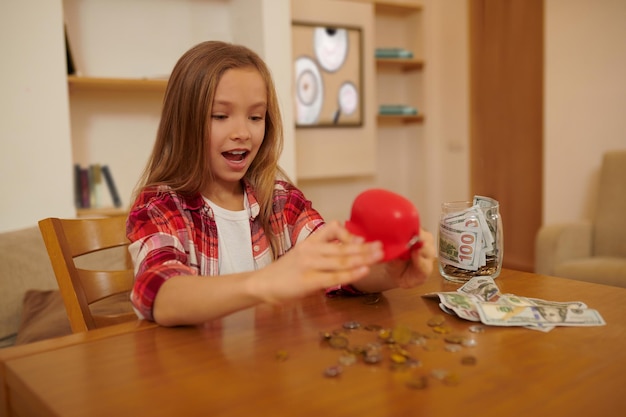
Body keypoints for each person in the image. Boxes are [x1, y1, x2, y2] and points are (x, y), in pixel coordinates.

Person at [126, 40, 435, 327]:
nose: (242, 132)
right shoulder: (160, 205)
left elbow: (336, 270)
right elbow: (161, 295)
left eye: (256, 117)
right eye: (220, 116)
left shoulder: (282, 200)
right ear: (184, 123)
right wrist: (266, 282)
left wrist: (389, 272)